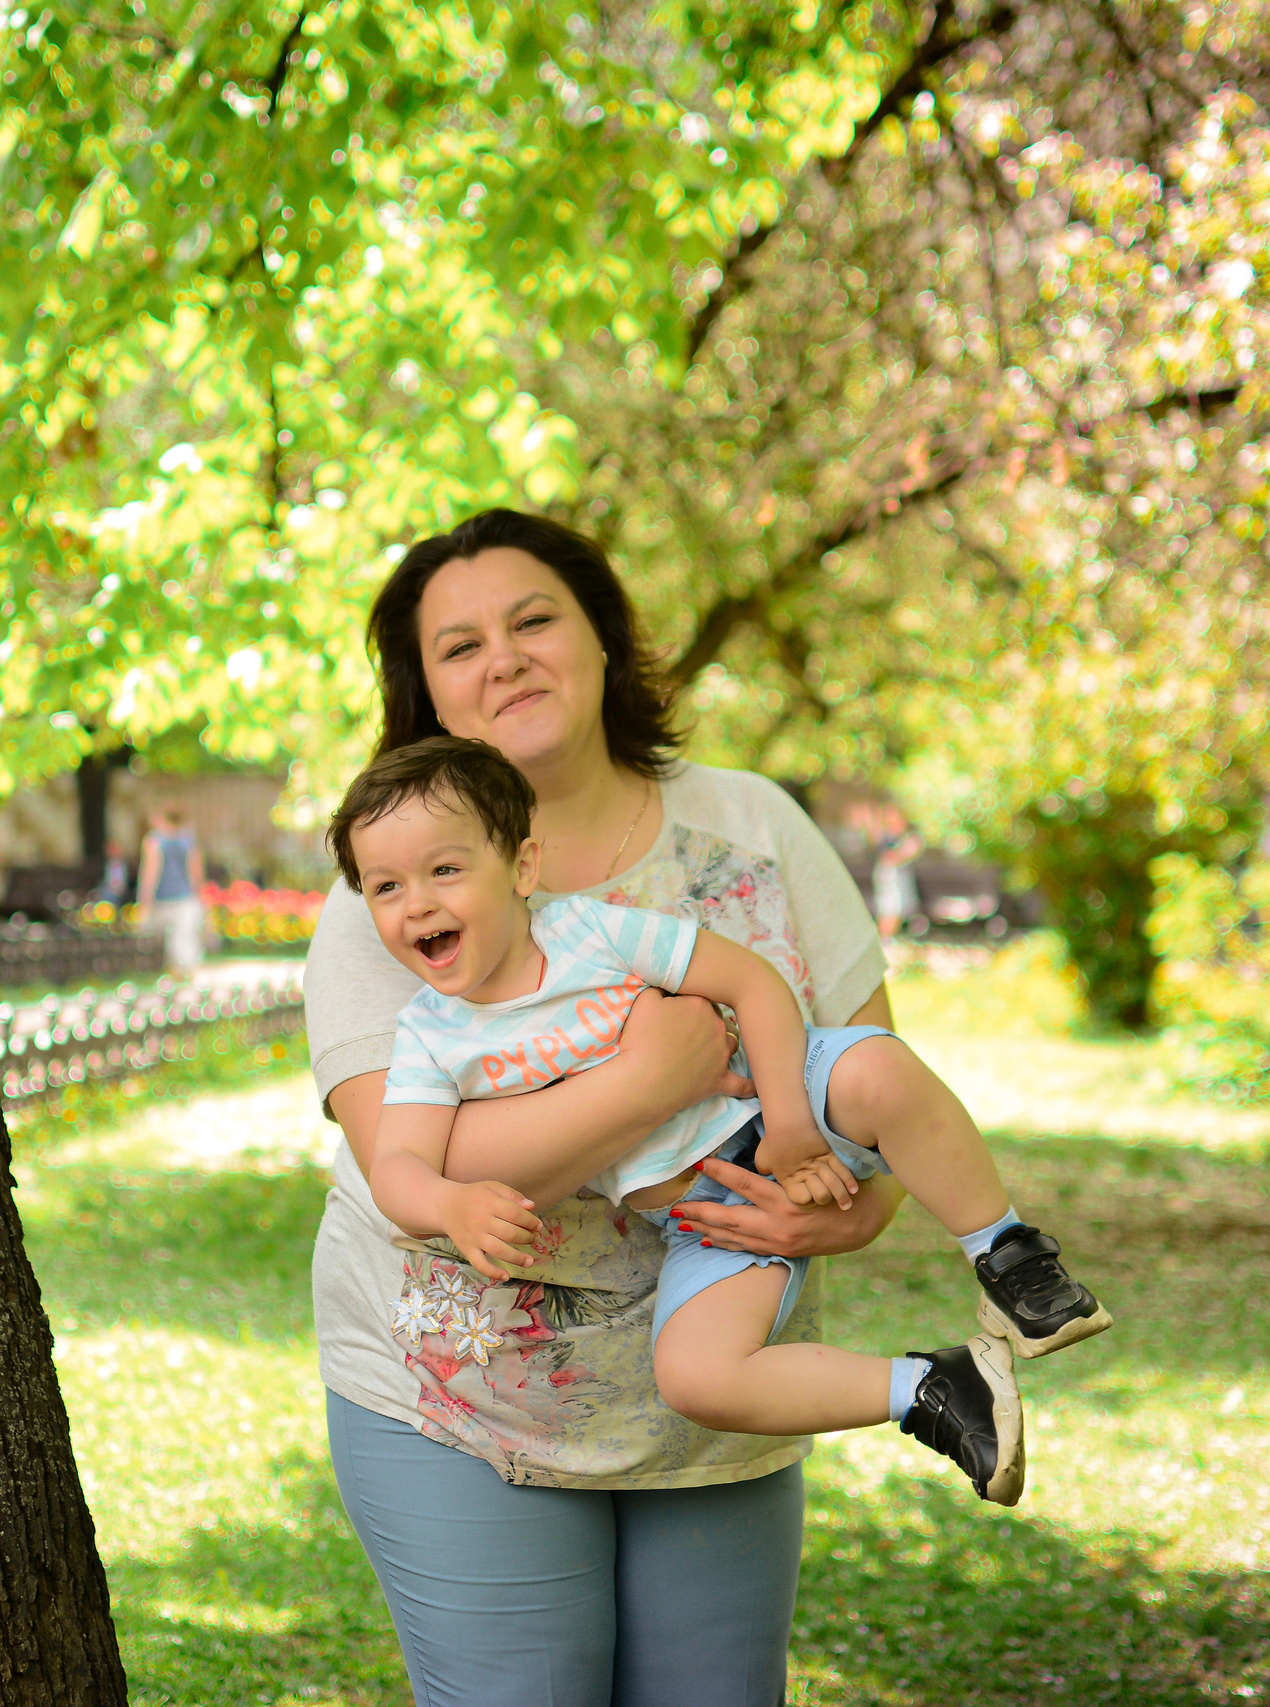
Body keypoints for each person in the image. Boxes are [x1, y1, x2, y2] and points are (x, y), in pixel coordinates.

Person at [303, 509, 1103, 1706]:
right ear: (425, 693)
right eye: (458, 646)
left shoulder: (752, 827)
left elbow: (874, 1093)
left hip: (718, 1373)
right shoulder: (393, 896)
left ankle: (1009, 1272)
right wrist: (649, 1081)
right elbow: (413, 1162)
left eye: (533, 621)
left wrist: (851, 1214)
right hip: (465, 1405)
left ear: (603, 638)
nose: (504, 658)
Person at [333, 735, 1115, 1506]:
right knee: (698, 1376)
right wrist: (450, 1203)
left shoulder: (589, 932)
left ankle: (1007, 1253)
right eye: (385, 887)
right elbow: (397, 1166)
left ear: (521, 867)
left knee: (878, 1066)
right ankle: (934, 1386)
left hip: (777, 1090)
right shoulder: (433, 1036)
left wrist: (791, 1123)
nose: (419, 902)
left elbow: (753, 983)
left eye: (445, 869)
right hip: (709, 1216)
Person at [136, 805, 207, 976]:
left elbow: (150, 873)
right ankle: (185, 975)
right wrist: (200, 897)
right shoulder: (189, 841)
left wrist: (144, 900)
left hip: (163, 898)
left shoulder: (154, 840)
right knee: (184, 940)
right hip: (185, 898)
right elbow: (196, 872)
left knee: (163, 940)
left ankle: (171, 974)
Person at [870, 808, 923, 940]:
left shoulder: (905, 837)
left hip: (899, 878)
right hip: (890, 878)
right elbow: (890, 857)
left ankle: (889, 937)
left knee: (897, 910)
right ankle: (884, 939)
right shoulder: (888, 838)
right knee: (889, 909)